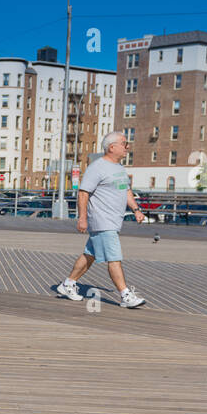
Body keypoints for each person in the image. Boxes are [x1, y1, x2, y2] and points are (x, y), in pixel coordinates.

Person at [56, 132, 148, 308]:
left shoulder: (119, 168)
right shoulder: (97, 168)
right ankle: (125, 295)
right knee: (114, 257)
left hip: (114, 220)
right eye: (124, 143)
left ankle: (68, 284)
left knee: (89, 255)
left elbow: (126, 190)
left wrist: (136, 210)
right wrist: (82, 218)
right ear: (112, 147)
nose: (127, 147)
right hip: (102, 220)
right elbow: (83, 192)